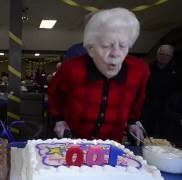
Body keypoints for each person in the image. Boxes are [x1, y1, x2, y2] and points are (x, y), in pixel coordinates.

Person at [48, 7, 148, 145]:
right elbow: (54, 94)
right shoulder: (71, 69)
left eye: (123, 45)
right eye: (107, 46)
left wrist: (132, 122)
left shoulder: (139, 71)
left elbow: (138, 100)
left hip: (111, 145)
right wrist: (59, 119)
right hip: (74, 143)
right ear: (91, 48)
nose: (115, 53)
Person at [141, 44, 182, 138]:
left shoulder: (179, 72)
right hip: (147, 107)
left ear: (171, 56)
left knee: (165, 136)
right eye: (161, 54)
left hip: (169, 110)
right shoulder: (147, 68)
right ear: (157, 54)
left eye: (167, 55)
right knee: (145, 134)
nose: (163, 57)